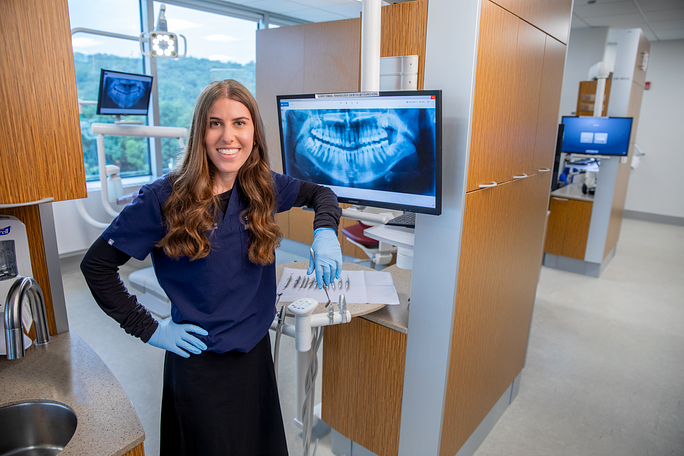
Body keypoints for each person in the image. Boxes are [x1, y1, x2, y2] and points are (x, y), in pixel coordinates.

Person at [80, 79, 343, 455]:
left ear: (254, 132)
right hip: (199, 364)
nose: (228, 136)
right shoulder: (163, 199)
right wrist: (150, 329)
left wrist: (325, 230)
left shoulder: (261, 186)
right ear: (199, 132)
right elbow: (97, 266)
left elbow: (321, 193)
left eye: (239, 123)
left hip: (254, 355)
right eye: (215, 123)